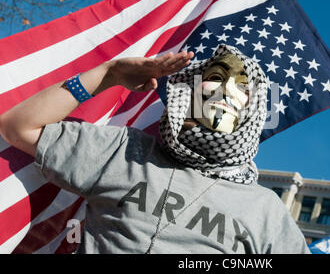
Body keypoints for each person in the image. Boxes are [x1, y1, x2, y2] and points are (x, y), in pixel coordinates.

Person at [0, 44, 310, 254]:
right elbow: (18, 127)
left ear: (253, 113)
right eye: (215, 78)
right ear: (190, 88)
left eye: (241, 90)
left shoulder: (264, 210)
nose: (224, 93)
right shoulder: (124, 152)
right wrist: (107, 75)